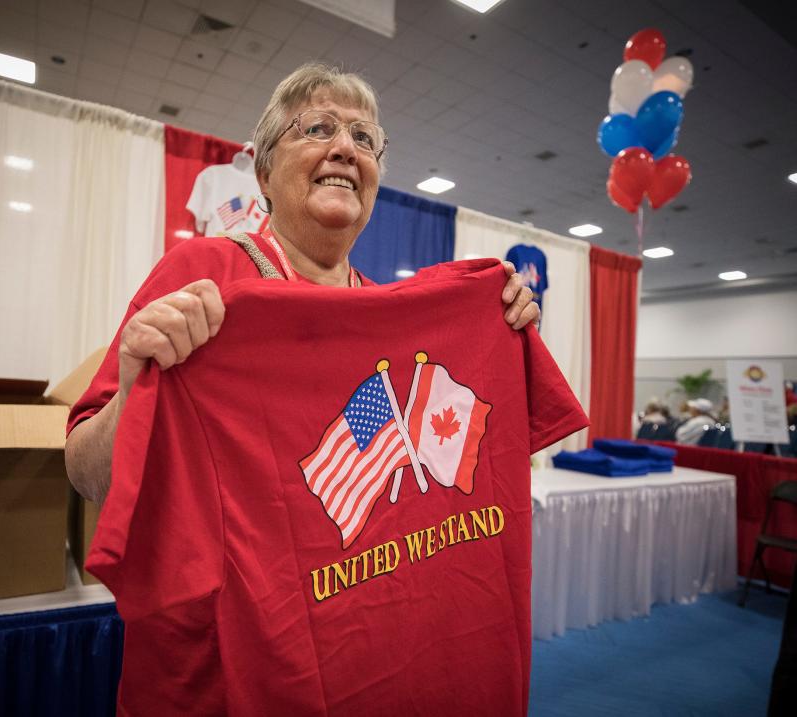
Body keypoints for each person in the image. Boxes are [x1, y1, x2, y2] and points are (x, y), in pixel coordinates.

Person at [65, 63, 540, 504]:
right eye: (317, 128)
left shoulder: (390, 314)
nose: (346, 149)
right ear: (265, 175)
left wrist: (498, 331)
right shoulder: (205, 269)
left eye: (363, 138)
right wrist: (133, 393)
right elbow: (87, 477)